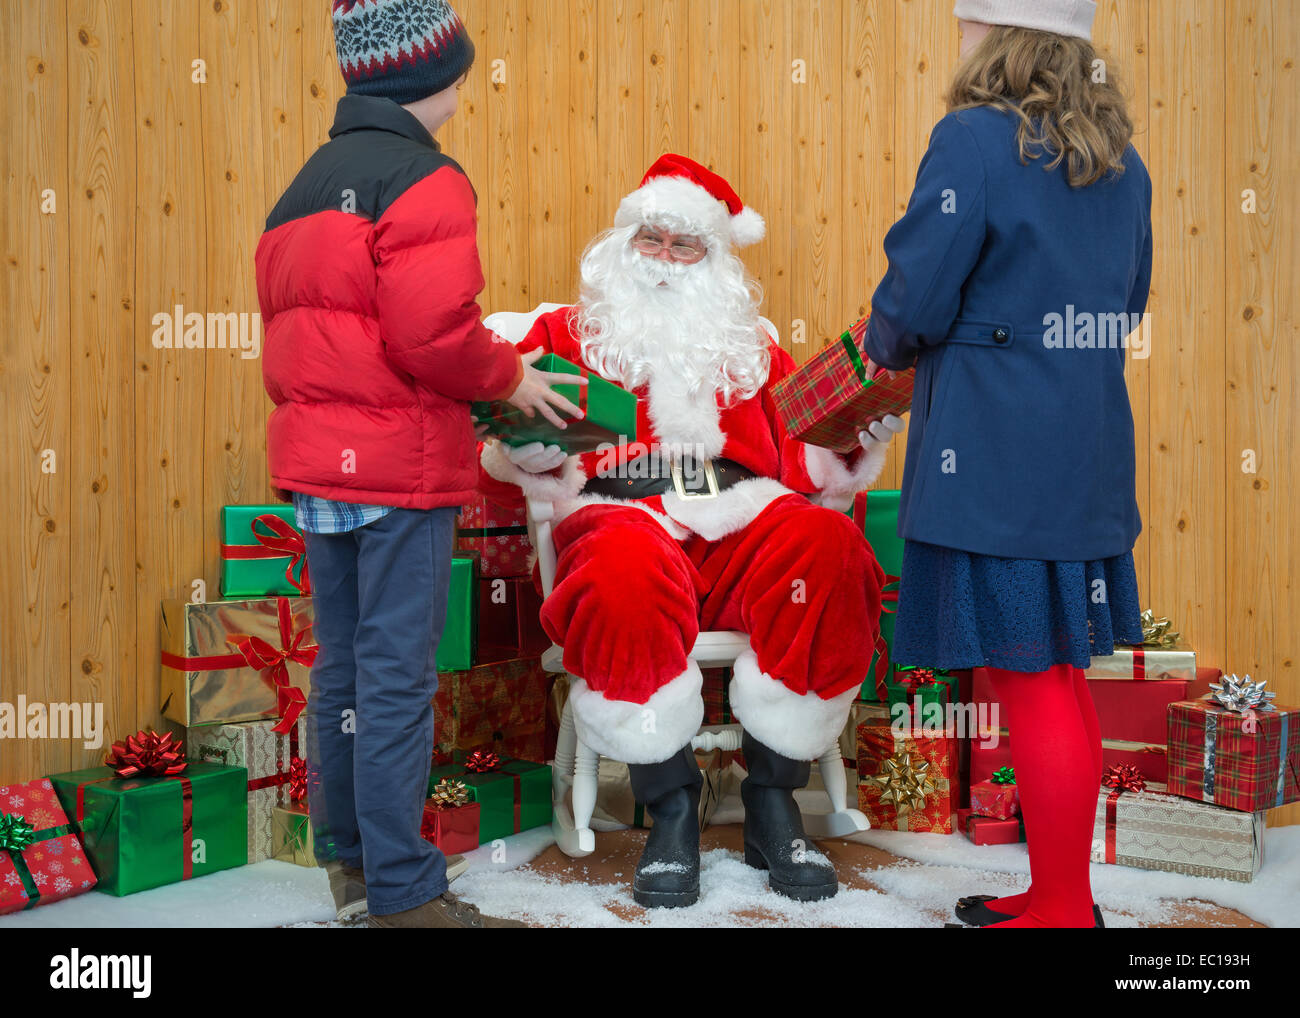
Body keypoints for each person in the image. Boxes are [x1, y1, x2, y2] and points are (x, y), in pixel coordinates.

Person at [477, 154, 904, 908]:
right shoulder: (561, 335)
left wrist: (855, 436)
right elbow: (492, 443)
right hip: (620, 515)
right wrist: (526, 451)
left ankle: (774, 802)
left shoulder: (750, 350)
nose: (667, 260)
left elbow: (809, 458)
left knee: (831, 549)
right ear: (623, 242)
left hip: (741, 520)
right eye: (653, 240)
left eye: (687, 246)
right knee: (619, 572)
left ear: (716, 260)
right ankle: (670, 809)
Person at [256, 0, 576, 929]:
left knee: (348, 674)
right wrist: (511, 376)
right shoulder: (425, 177)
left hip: (322, 468)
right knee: (396, 675)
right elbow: (430, 335)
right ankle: (405, 896)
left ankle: (353, 871)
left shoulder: (302, 187)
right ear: (438, 72)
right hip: (396, 468)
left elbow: (330, 339)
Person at [861, 0, 1151, 928]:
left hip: (995, 452)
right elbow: (1130, 298)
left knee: (1029, 681)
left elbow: (917, 293)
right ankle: (1062, 891)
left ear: (997, 38)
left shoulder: (974, 142)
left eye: (966, 26)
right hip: (1086, 444)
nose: (960, 42)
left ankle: (1064, 909)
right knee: (1059, 674)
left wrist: (888, 344)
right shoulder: (1122, 161)